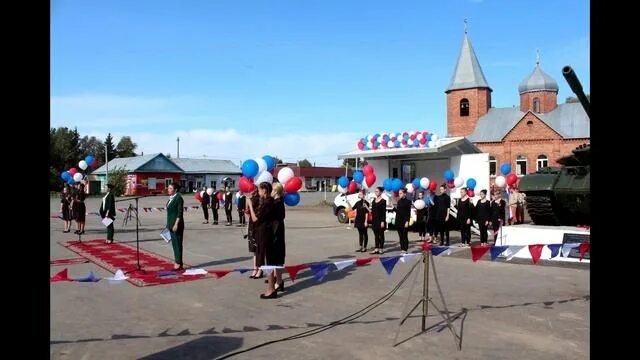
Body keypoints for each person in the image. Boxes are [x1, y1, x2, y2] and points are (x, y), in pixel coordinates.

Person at [247, 182, 277, 299]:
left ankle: (271, 289)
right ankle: (271, 287)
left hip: (265, 233)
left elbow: (255, 219)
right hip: (262, 232)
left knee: (267, 260)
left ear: (264, 190)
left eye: (259, 190)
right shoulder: (265, 201)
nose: (258, 192)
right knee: (265, 259)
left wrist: (250, 205)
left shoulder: (268, 203)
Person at [166, 182, 185, 270]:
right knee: (174, 244)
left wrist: (176, 224)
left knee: (177, 244)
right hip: (170, 224)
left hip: (176, 225)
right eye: (168, 188)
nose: (168, 190)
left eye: (170, 188)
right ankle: (178, 262)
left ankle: (178, 263)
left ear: (175, 190)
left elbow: (180, 212)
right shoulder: (171, 198)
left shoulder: (178, 198)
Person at [271, 183, 286, 292]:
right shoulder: (276, 202)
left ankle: (279, 281)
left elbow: (276, 219)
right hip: (276, 231)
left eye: (272, 189)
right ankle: (277, 279)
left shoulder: (278, 203)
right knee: (276, 258)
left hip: (277, 232)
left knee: (277, 258)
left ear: (276, 191)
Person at [247, 189, 262, 279]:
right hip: (252, 225)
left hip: (258, 225)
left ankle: (260, 269)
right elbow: (247, 212)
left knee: (259, 249)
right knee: (253, 249)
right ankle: (255, 268)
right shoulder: (251, 197)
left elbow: (255, 216)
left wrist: (250, 204)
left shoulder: (259, 200)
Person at [370, 186, 387, 254]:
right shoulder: (373, 201)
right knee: (376, 235)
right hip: (374, 220)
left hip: (380, 220)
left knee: (381, 235)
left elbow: (383, 212)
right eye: (375, 191)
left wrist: (382, 221)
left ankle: (381, 248)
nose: (376, 192)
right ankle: (376, 248)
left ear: (381, 192)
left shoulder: (383, 201)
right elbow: (372, 211)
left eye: (377, 191)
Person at [395, 188, 412, 254]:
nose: (399, 194)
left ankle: (405, 249)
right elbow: (398, 211)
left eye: (401, 193)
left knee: (405, 236)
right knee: (400, 236)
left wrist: (407, 221)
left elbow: (408, 212)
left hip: (404, 221)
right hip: (398, 220)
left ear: (405, 194)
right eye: (399, 193)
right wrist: (394, 208)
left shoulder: (408, 202)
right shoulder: (399, 201)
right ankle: (402, 249)